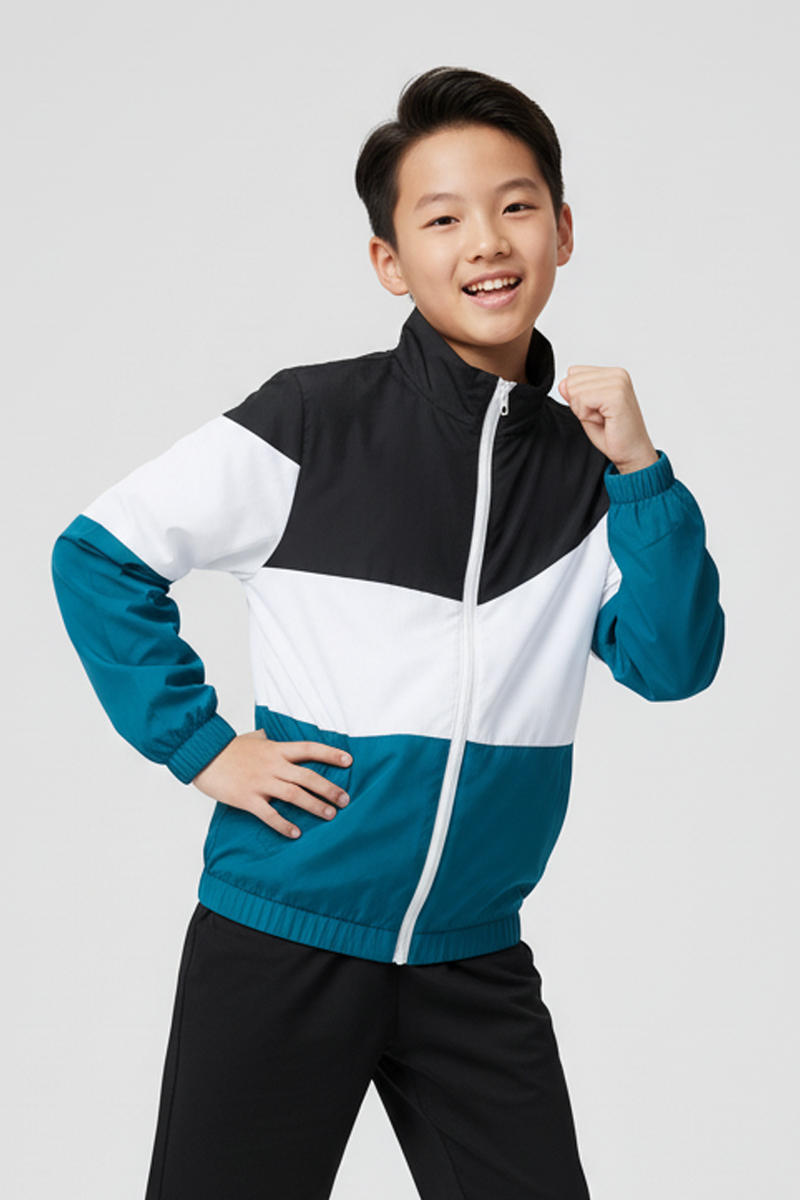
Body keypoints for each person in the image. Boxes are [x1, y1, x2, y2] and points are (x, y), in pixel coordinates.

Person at [52, 66, 724, 1200]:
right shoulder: (313, 420)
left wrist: (642, 473)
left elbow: (671, 663)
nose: (487, 242)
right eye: (442, 219)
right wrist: (200, 745)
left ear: (562, 232)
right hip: (284, 935)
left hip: (472, 953)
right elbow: (98, 555)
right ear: (389, 261)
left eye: (515, 207)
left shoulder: (591, 472)